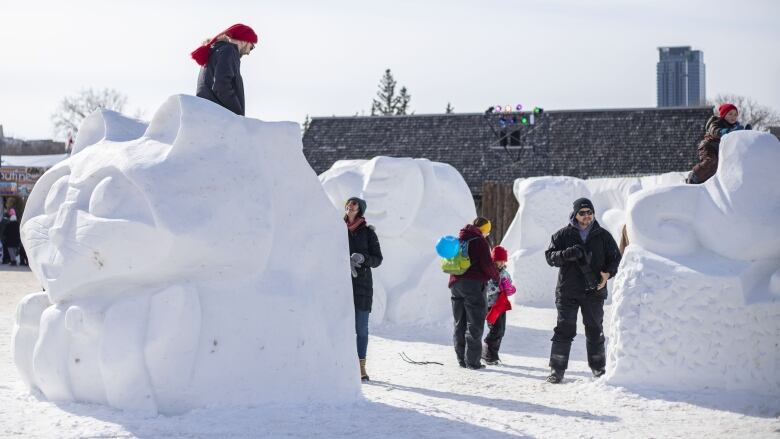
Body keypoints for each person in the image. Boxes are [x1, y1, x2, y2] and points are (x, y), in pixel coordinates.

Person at [544, 198, 621, 383]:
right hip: (567, 291)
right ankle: (557, 370)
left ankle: (599, 369)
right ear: (575, 214)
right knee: (564, 330)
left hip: (594, 292)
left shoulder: (603, 236)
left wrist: (607, 274)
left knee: (595, 330)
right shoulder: (562, 235)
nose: (586, 216)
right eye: (582, 212)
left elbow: (616, 258)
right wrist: (566, 254)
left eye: (589, 212)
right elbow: (550, 257)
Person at [449, 217, 499, 370]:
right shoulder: (479, 241)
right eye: (488, 230)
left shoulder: (460, 239)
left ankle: (461, 359)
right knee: (474, 323)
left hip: (456, 283)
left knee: (460, 323)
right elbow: (486, 264)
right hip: (473, 285)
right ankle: (472, 361)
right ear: (484, 229)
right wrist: (496, 276)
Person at [344, 197, 383, 381]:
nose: (350, 205)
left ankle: (360, 366)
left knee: (361, 328)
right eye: (349, 203)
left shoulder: (368, 233)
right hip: (339, 285)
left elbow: (378, 259)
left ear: (360, 210)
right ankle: (341, 364)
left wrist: (362, 258)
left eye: (354, 204)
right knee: (340, 327)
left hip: (362, 285)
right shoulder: (335, 228)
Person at [192, 23, 258, 116]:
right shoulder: (229, 51)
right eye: (251, 47)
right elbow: (221, 86)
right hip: (218, 118)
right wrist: (238, 115)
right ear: (244, 41)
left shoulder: (214, 52)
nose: (248, 52)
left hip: (208, 115)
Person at [688, 103, 750, 184]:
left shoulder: (736, 126)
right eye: (730, 114)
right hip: (708, 145)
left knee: (718, 166)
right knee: (711, 161)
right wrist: (728, 131)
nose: (733, 117)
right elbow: (716, 131)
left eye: (735, 114)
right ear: (724, 115)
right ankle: (694, 176)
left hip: (721, 148)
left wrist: (746, 132)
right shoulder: (716, 123)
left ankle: (704, 181)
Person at [482, 245, 517, 365]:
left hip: (501, 305)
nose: (501, 263)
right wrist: (498, 287)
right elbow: (486, 288)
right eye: (499, 260)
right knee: (495, 330)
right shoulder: (489, 273)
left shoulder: (505, 273)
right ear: (494, 260)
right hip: (491, 306)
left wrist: (510, 289)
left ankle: (493, 354)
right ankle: (487, 351)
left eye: (503, 261)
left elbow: (509, 285)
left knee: (501, 330)